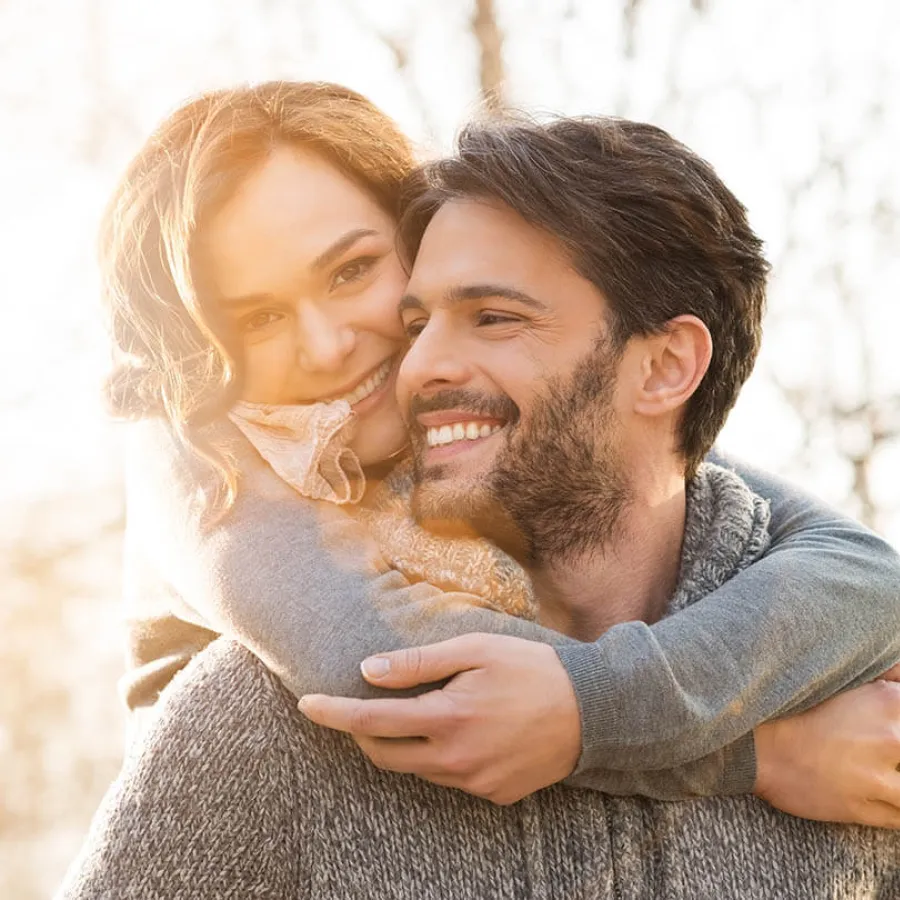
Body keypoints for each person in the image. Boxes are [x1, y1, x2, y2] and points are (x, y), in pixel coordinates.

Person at [59, 112, 900, 899]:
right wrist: (755, 754)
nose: (329, 346)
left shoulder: (851, 705)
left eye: (355, 271)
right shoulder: (209, 480)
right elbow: (394, 673)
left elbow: (856, 564)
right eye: (260, 317)